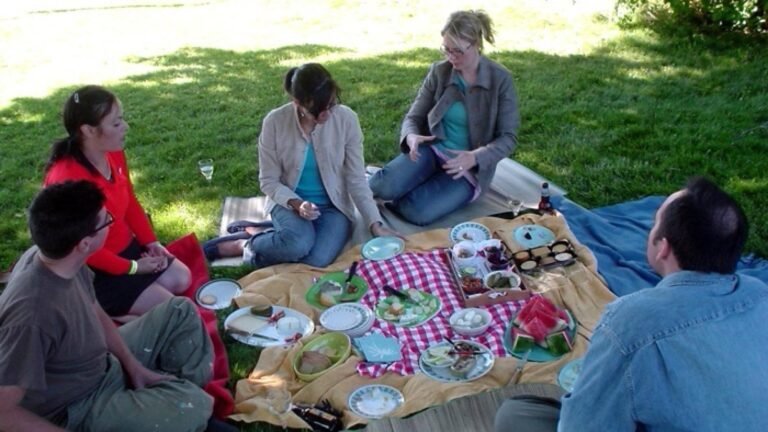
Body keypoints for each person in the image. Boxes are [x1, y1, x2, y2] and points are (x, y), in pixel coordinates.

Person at [494, 177, 768, 431]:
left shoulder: (631, 321)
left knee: (516, 414)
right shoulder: (760, 293)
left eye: (654, 223)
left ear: (663, 248)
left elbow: (582, 427)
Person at [0, 180, 234, 432]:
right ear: (85, 243)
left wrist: (133, 366)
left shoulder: (63, 257)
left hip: (102, 364)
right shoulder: (30, 316)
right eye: (107, 220)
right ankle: (181, 407)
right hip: (78, 404)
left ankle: (174, 403)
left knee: (180, 311)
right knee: (191, 406)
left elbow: (94, 310)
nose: (112, 224)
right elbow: (3, 412)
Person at [204, 63, 398, 267]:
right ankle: (246, 245)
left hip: (333, 207)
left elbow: (356, 178)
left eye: (331, 105)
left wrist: (375, 224)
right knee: (298, 245)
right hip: (288, 203)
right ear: (297, 103)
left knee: (316, 260)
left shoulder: (347, 119)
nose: (326, 115)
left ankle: (268, 235)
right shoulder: (275, 122)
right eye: (317, 110)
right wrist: (297, 204)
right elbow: (268, 181)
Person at [43, 85, 191, 321]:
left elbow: (129, 200)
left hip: (126, 248)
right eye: (116, 123)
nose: (126, 127)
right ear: (88, 130)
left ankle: (129, 310)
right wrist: (133, 267)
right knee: (175, 310)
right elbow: (84, 249)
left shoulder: (113, 151)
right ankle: (109, 317)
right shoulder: (68, 179)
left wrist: (150, 242)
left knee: (182, 279)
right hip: (95, 269)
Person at [368, 10, 520, 226]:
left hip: (468, 168)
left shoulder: (500, 79)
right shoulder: (439, 72)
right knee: (381, 187)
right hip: (433, 149)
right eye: (446, 49)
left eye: (458, 51)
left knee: (417, 212)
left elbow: (508, 137)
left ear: (476, 44)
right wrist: (411, 136)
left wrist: (475, 157)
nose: (451, 57)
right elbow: (413, 117)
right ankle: (408, 182)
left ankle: (414, 191)